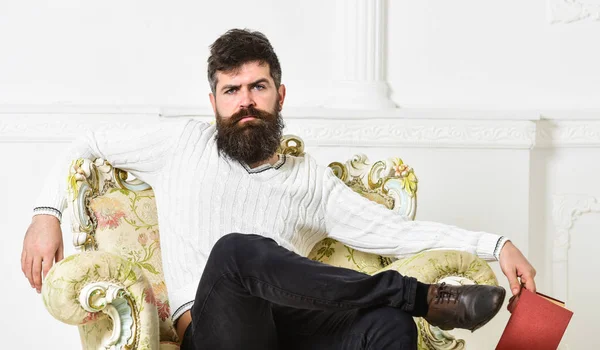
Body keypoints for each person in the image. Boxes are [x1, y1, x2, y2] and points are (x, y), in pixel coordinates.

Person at [21, 29, 537, 349]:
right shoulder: (182, 143)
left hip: (291, 329)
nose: (245, 102)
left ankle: (406, 305)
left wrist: (495, 245)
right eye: (232, 90)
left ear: (279, 94)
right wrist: (46, 214)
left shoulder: (308, 179)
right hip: (217, 332)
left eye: (257, 87)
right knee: (237, 251)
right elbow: (89, 141)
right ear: (214, 101)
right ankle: (422, 297)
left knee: (389, 329)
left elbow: (394, 232)